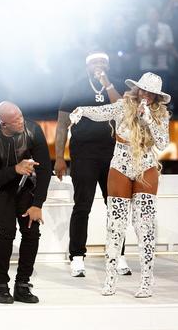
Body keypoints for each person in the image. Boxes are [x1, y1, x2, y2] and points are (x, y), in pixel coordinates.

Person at [70, 72, 171, 298]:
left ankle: (146, 281)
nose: (145, 95)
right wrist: (82, 111)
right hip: (120, 163)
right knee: (115, 225)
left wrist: (148, 120)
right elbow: (101, 112)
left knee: (144, 226)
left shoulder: (161, 115)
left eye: (150, 93)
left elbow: (163, 143)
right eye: (142, 90)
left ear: (156, 97)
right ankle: (110, 279)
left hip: (145, 165)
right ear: (136, 89)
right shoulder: (122, 106)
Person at [55, 52, 132, 277]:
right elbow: (61, 124)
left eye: (103, 63)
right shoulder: (75, 88)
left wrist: (106, 83)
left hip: (113, 153)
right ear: (87, 66)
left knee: (115, 206)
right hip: (84, 153)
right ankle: (77, 257)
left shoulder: (115, 83)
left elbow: (122, 109)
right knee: (82, 205)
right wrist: (59, 157)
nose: (99, 66)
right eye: (95, 63)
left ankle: (118, 254)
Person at [0, 101, 51, 304]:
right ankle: (0, 285)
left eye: (21, 115)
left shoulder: (33, 130)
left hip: (24, 183)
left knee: (31, 229)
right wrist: (15, 169)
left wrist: (38, 204)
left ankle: (22, 285)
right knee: (7, 231)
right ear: (3, 123)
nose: (21, 121)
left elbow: (44, 169)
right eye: (15, 120)